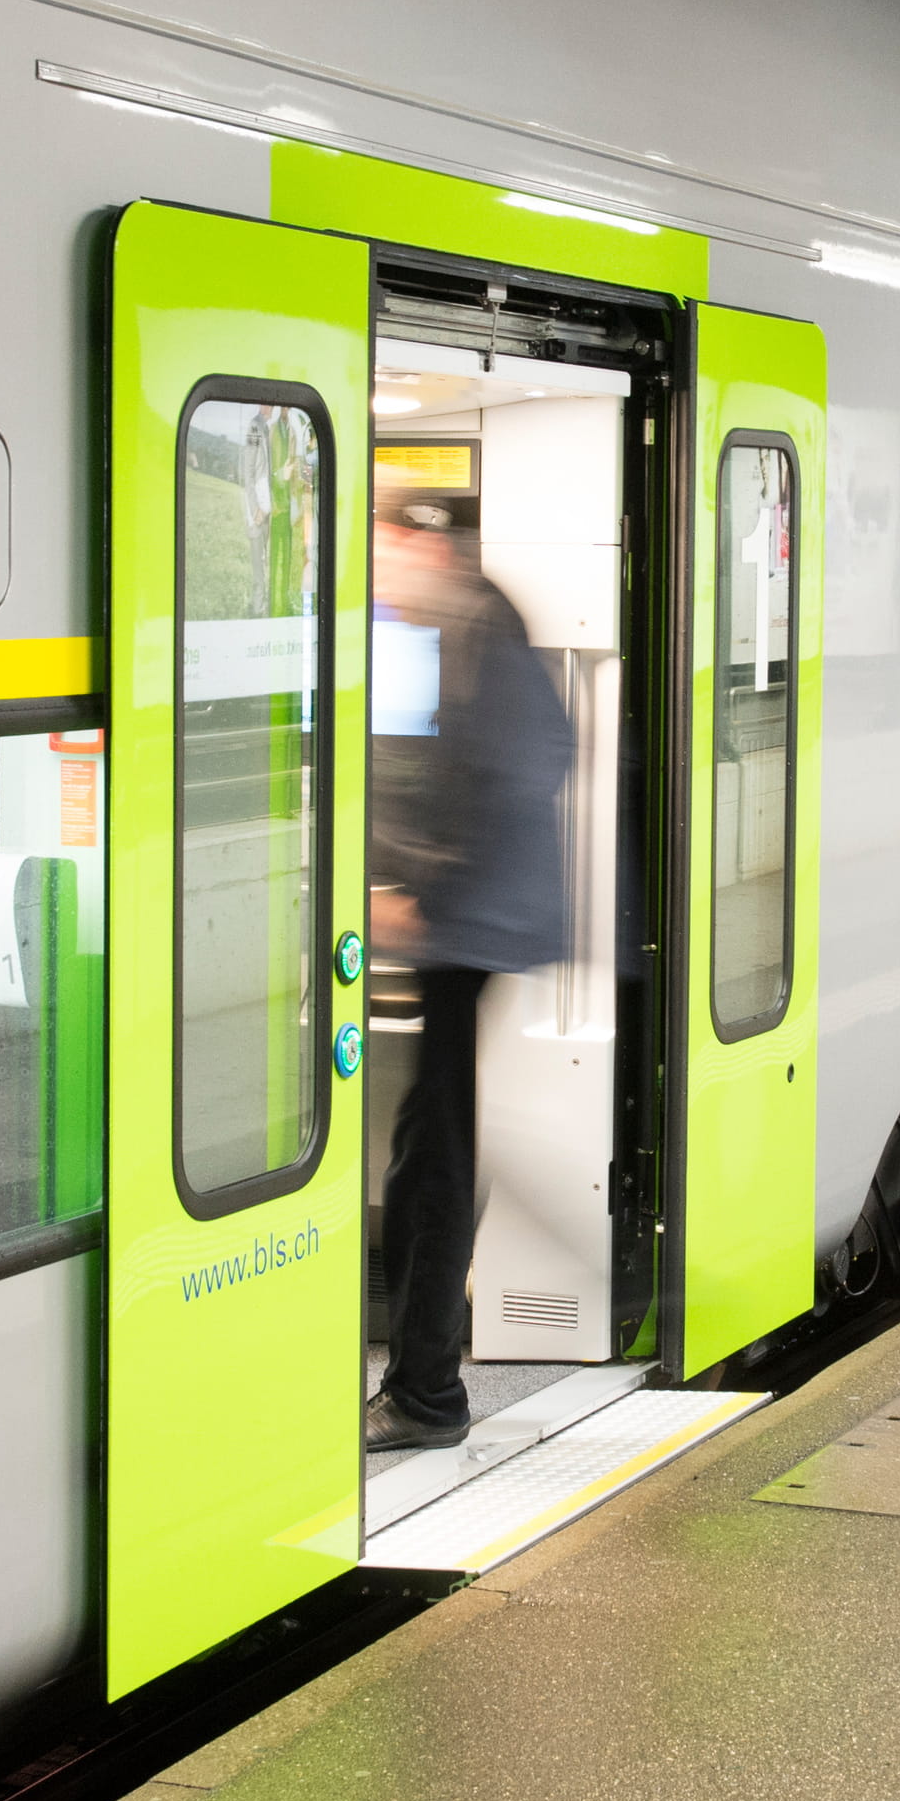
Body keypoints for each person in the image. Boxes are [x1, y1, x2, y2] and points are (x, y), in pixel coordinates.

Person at [363, 489, 573, 1453]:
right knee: (424, 1155)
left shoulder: (474, 632)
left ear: (425, 547)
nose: (380, 574)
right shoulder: (474, 626)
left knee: (437, 1162)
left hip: (472, 930)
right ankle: (412, 1370)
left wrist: (415, 887)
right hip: (474, 926)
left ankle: (428, 1394)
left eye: (386, 552)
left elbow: (503, 774)